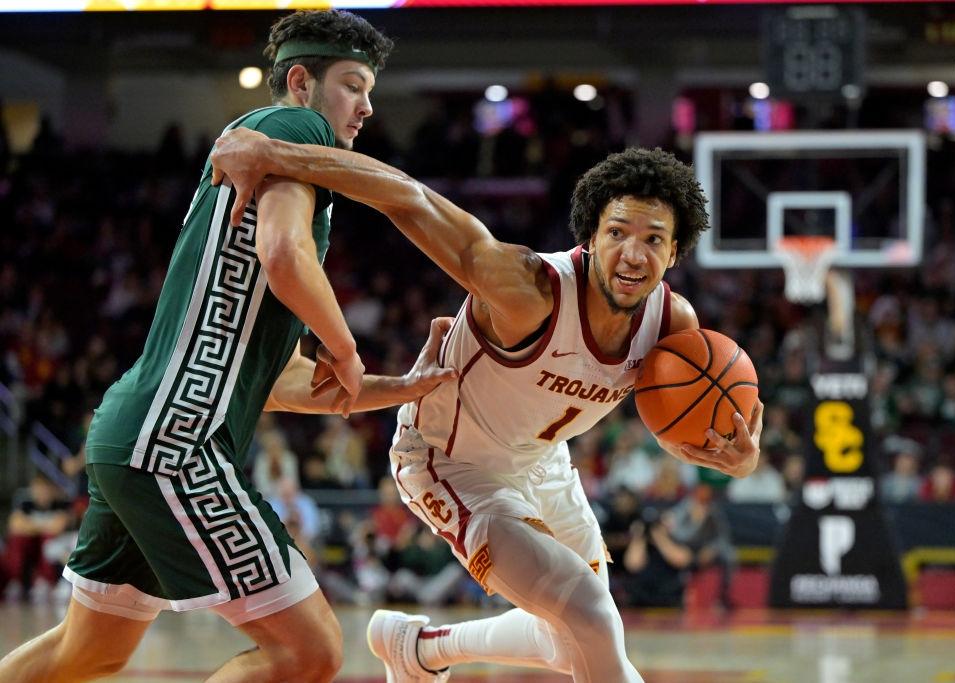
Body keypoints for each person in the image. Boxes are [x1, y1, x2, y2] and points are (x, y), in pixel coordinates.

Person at [0, 10, 456, 683]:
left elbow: (280, 381)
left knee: (88, 649)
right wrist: (345, 344)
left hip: (134, 430)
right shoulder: (293, 129)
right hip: (175, 438)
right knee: (308, 650)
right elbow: (282, 251)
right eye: (354, 86)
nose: (366, 107)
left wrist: (401, 386)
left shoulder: (267, 151)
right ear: (301, 81)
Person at [210, 133, 763, 682]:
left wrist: (727, 458)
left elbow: (670, 427)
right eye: (617, 232)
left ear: (675, 251)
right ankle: (421, 648)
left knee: (580, 639)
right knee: (591, 617)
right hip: (450, 462)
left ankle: (420, 648)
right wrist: (277, 156)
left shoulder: (674, 326)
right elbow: (408, 198)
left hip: (543, 460)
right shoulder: (526, 291)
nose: (633, 253)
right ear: (591, 236)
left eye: (653, 239)